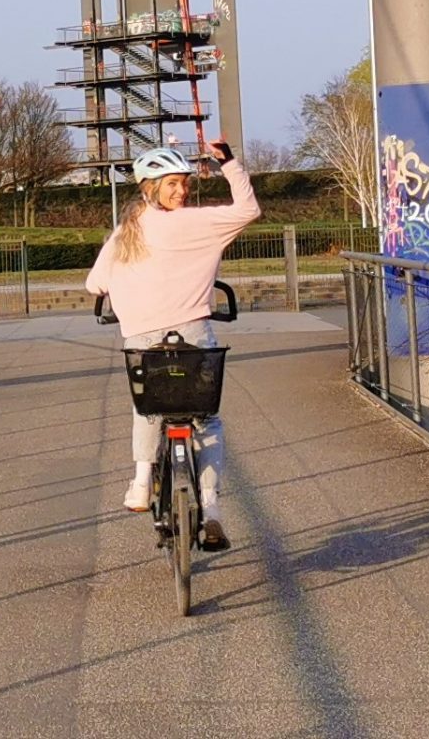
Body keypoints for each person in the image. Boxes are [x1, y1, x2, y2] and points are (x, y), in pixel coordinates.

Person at [85, 139, 260, 550]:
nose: (181, 191)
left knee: (148, 407)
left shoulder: (124, 233)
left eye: (183, 183)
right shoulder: (199, 224)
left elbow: (95, 284)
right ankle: (212, 509)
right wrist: (229, 164)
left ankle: (141, 482)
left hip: (143, 339)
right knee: (207, 419)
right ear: (152, 187)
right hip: (193, 336)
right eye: (173, 184)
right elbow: (249, 210)